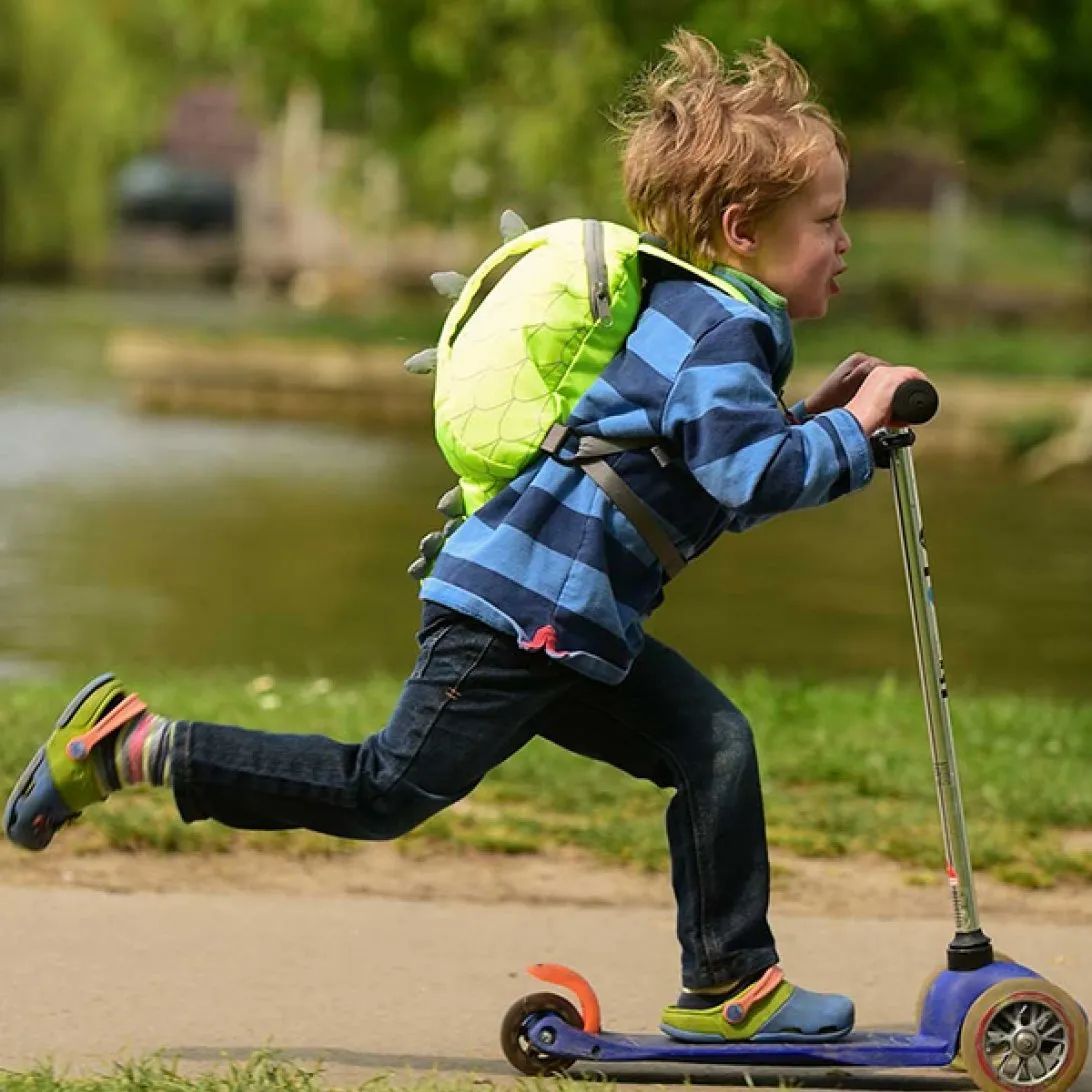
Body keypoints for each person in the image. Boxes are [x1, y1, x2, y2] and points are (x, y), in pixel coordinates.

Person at [5, 31, 926, 1044]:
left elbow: (717, 474)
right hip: (523, 614)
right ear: (745, 228)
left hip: (574, 617)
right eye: (829, 221)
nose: (846, 242)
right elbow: (746, 476)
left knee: (712, 747)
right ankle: (134, 747)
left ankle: (731, 988)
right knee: (384, 790)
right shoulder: (721, 330)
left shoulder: (700, 319)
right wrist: (850, 428)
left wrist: (822, 424)